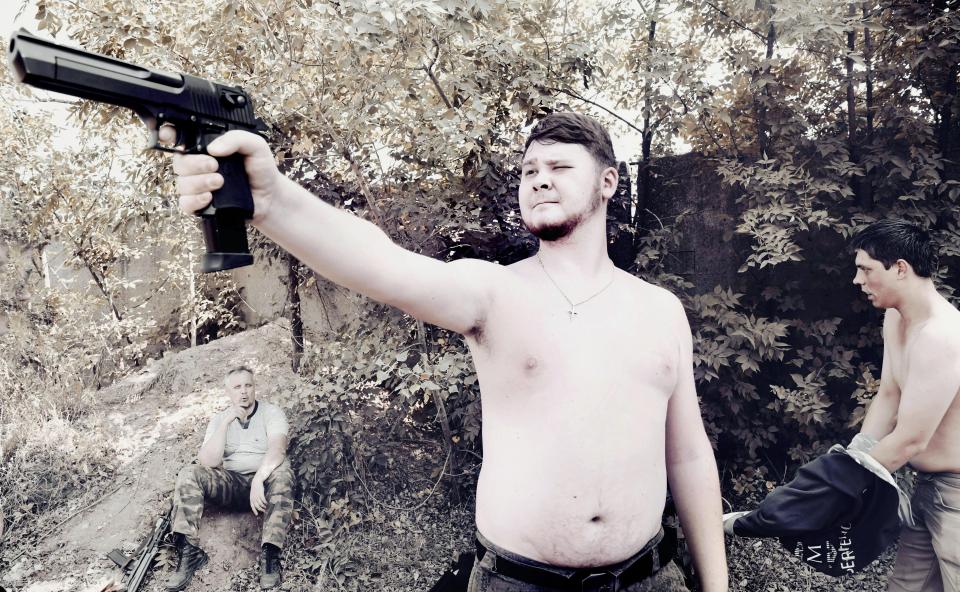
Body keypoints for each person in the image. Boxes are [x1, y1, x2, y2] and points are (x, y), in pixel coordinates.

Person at [167, 112, 728, 591]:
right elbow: (383, 264)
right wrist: (270, 201)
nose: (539, 180)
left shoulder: (660, 311)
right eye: (530, 171)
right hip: (517, 582)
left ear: (607, 183)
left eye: (559, 168)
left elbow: (689, 458)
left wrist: (717, 585)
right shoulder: (494, 293)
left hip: (647, 578)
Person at [850, 218, 960, 592]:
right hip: (925, 486)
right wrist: (855, 456)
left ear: (900, 268)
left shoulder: (942, 335)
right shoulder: (894, 319)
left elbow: (911, 439)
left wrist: (844, 484)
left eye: (865, 269)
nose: (857, 280)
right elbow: (889, 395)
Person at [165, 366, 294, 591]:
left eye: (248, 385)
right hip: (232, 484)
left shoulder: (271, 413)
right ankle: (189, 552)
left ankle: (270, 555)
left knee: (282, 471)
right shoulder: (219, 420)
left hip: (265, 485)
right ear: (228, 392)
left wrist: (258, 480)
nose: (243, 392)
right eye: (237, 387)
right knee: (189, 472)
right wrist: (226, 423)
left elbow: (278, 451)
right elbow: (207, 461)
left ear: (255, 388)